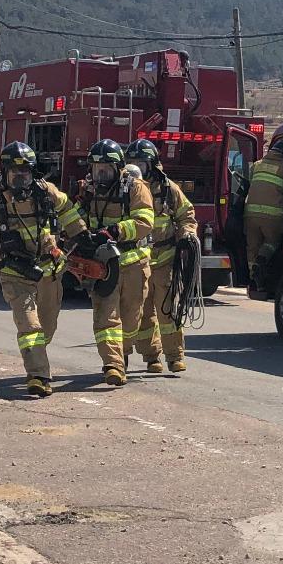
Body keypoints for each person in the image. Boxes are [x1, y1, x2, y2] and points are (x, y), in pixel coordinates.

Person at [0, 141, 86, 397]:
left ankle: (37, 358)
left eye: (25, 172)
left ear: (33, 172)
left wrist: (82, 235)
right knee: (30, 327)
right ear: (5, 173)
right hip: (15, 274)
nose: (21, 178)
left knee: (47, 327)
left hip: (49, 272)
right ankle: (39, 376)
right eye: (15, 173)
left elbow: (67, 210)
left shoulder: (47, 193)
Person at [75, 139, 154, 387]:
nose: (100, 175)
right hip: (102, 267)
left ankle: (124, 351)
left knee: (131, 319)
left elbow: (144, 221)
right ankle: (113, 365)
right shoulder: (88, 190)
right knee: (105, 317)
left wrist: (115, 231)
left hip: (133, 264)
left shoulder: (135, 188)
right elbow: (75, 216)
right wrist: (78, 233)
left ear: (118, 167)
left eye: (106, 169)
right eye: (96, 169)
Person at [129, 137, 198, 375]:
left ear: (152, 165)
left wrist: (187, 234)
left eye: (141, 164)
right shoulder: (127, 189)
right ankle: (151, 357)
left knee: (168, 310)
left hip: (165, 259)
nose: (137, 169)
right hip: (137, 261)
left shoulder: (168, 189)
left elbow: (186, 215)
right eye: (133, 164)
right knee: (143, 313)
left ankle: (175, 356)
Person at [242, 138, 283, 298]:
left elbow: (247, 187)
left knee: (252, 247)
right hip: (273, 218)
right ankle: (262, 260)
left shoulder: (256, 165)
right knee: (272, 242)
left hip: (250, 216)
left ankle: (255, 281)